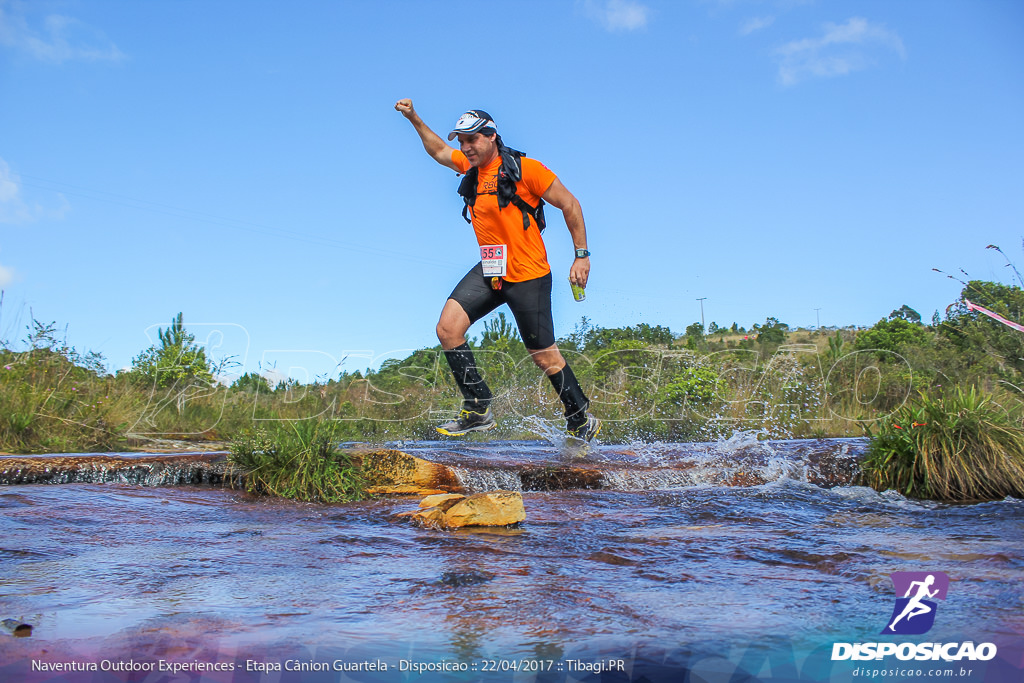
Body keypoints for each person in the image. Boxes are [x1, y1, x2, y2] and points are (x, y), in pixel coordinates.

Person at [394, 99, 600, 441]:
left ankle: (580, 418)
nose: (465, 147)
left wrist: (581, 255)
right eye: (462, 140)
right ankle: (478, 407)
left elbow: (570, 203)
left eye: (472, 139)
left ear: (491, 136)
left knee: (544, 355)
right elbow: (438, 151)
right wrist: (414, 117)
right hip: (491, 271)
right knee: (447, 329)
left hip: (528, 275)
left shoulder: (527, 169)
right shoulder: (469, 166)